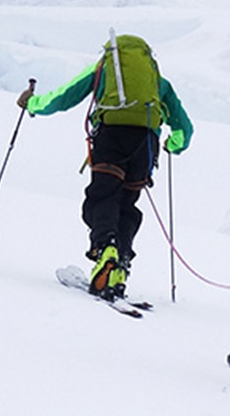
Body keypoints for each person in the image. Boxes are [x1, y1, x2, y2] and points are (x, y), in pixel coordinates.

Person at [23, 32, 192, 298]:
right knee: (127, 205)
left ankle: (106, 249)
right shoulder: (158, 83)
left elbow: (62, 98)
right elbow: (185, 129)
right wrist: (173, 145)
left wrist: (31, 103)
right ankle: (120, 265)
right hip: (145, 147)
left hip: (111, 139)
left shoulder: (102, 71)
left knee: (102, 198)